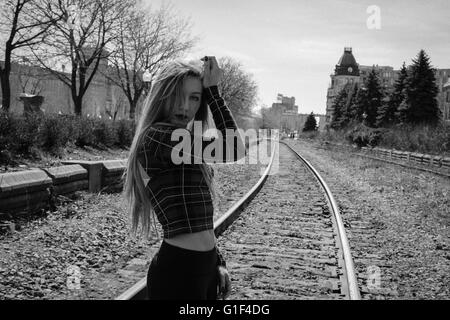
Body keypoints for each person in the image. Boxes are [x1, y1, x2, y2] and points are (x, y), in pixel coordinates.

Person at [122, 56, 245, 300]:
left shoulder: (184, 144)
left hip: (204, 269)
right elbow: (234, 148)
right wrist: (213, 92)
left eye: (195, 98)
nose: (185, 107)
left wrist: (217, 260)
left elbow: (199, 219)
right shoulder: (157, 137)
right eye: (177, 96)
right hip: (178, 273)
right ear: (162, 96)